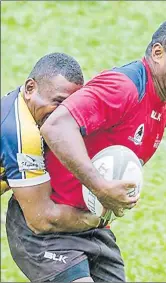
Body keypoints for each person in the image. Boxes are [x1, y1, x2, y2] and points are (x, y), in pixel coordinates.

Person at [6, 16, 166, 282]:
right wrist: (100, 187)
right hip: (47, 229)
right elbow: (56, 126)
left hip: (91, 228)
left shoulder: (163, 104)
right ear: (158, 53)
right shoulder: (122, 87)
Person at [1, 52, 106, 281]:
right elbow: (41, 218)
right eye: (57, 102)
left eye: (69, 106)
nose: (62, 114)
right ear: (30, 88)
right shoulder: (21, 134)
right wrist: (98, 216)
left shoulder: (25, 107)